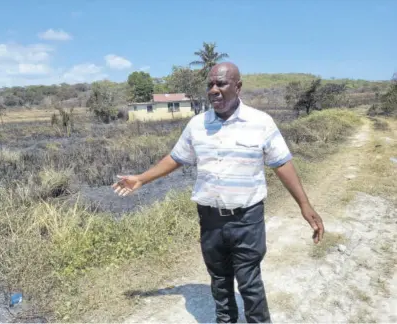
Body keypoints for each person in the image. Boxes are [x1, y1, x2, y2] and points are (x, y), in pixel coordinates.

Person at [112, 62, 324, 323]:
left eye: (221, 83)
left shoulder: (261, 122)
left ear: (238, 86)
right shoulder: (197, 125)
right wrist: (141, 179)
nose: (214, 89)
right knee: (220, 282)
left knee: (249, 283)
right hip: (211, 219)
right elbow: (176, 158)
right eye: (210, 84)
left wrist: (305, 205)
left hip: (247, 218)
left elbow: (282, 163)